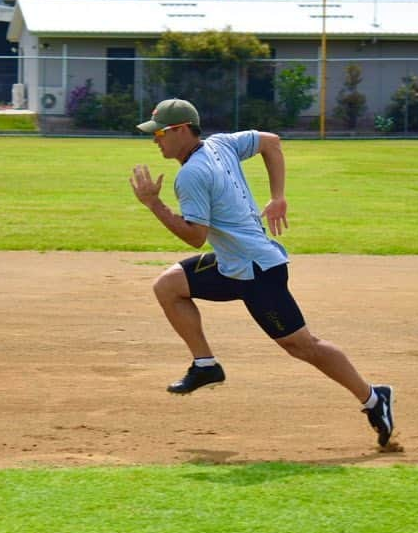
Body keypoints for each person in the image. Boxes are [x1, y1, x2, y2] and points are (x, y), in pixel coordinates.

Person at [129, 98, 395, 447]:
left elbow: (195, 237)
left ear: (180, 130)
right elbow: (271, 141)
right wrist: (278, 196)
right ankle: (206, 364)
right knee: (168, 286)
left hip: (256, 270)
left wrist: (154, 204)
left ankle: (374, 398)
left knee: (302, 346)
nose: (155, 140)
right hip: (234, 265)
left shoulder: (191, 174)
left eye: (160, 133)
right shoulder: (221, 143)